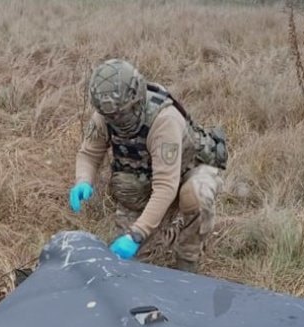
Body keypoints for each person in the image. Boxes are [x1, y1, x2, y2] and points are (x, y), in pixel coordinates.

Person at [69, 58, 227, 273]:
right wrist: (83, 181)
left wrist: (137, 234)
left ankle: (187, 259)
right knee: (129, 267)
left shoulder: (164, 121)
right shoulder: (106, 114)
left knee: (196, 195)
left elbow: (166, 186)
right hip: (145, 179)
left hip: (187, 172)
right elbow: (89, 153)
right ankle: (160, 233)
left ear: (135, 100)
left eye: (121, 114)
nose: (117, 121)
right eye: (111, 116)